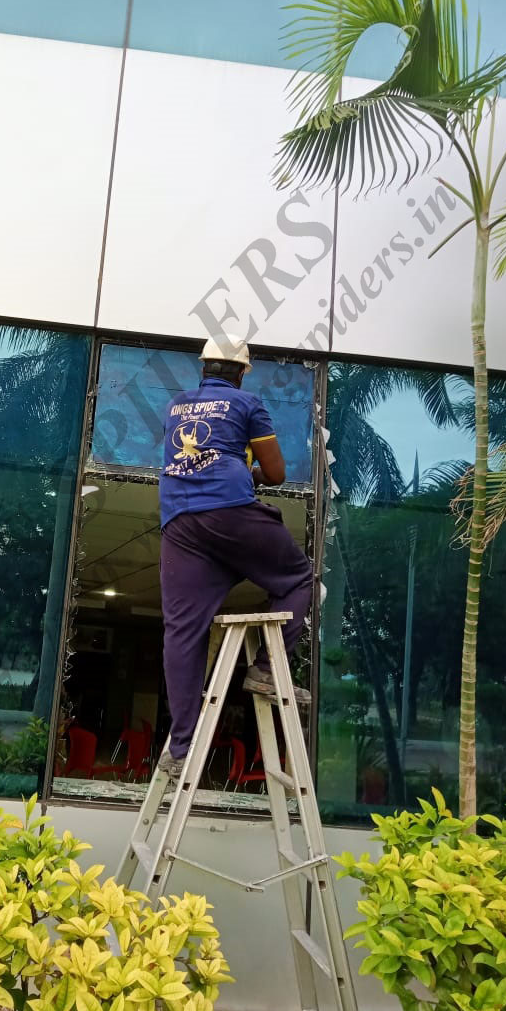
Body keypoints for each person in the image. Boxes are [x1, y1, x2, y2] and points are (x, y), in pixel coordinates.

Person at [157, 333, 313, 778]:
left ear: (203, 367)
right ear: (243, 372)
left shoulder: (176, 406)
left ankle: (181, 748)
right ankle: (264, 670)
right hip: (230, 512)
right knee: (298, 578)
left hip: (179, 522)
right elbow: (277, 472)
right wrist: (249, 473)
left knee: (182, 631)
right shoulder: (246, 404)